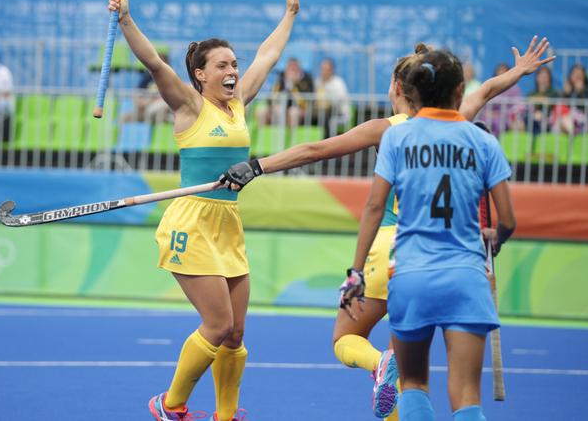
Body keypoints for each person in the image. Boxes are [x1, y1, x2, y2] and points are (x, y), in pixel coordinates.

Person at [219, 36, 552, 420]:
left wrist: (258, 166)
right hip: (459, 260)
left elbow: (317, 153)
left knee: (352, 343)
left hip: (396, 256)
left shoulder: (389, 131)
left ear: (398, 87)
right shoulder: (466, 124)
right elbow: (489, 90)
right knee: (463, 393)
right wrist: (520, 71)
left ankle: (379, 364)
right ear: (455, 91)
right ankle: (386, 369)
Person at [109, 0, 299, 421]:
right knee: (217, 325)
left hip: (227, 223)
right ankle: (169, 405)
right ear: (200, 74)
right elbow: (155, 63)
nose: (233, 70)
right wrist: (126, 20)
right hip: (191, 223)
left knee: (236, 334)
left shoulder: (240, 103)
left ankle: (226, 415)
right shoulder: (189, 107)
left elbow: (270, 55)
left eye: (234, 63)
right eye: (222, 65)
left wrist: (289, 15)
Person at [340, 49, 517, 421]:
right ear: (459, 92)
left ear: (410, 92)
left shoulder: (396, 138)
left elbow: (374, 208)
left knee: (414, 383)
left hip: (411, 275)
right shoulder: (483, 142)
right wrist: (495, 238)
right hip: (466, 276)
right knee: (467, 395)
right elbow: (508, 221)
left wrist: (355, 273)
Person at [255, 57, 313, 128]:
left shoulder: (306, 80)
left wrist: (292, 86)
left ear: (299, 69)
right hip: (281, 110)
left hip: (298, 110)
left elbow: (303, 103)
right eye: (290, 67)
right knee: (261, 111)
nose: (292, 71)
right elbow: (273, 97)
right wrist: (273, 105)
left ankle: (291, 138)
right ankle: (263, 136)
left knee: (293, 112)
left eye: (294, 68)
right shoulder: (281, 79)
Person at [122, 52, 174, 124]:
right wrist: (140, 102)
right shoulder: (148, 77)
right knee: (124, 118)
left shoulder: (171, 79)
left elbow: (169, 99)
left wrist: (149, 101)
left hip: (160, 109)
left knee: (163, 110)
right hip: (145, 109)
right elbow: (137, 93)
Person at [479, 63, 526, 136]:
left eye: (504, 71)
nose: (502, 74)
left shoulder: (514, 88)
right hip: (489, 116)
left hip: (506, 118)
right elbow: (484, 104)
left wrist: (505, 114)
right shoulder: (490, 86)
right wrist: (490, 114)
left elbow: (518, 106)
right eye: (500, 71)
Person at [314, 57, 350, 137]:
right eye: (322, 69)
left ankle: (326, 140)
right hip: (321, 110)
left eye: (327, 69)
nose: (324, 72)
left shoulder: (338, 82)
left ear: (332, 70)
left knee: (325, 115)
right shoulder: (317, 81)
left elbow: (341, 100)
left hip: (338, 111)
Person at [526, 66, 561, 135]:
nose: (543, 79)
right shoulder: (531, 93)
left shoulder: (554, 93)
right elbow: (528, 102)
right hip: (531, 120)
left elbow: (550, 103)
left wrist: (537, 100)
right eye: (541, 75)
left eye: (546, 76)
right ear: (537, 78)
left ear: (549, 79)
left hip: (549, 121)